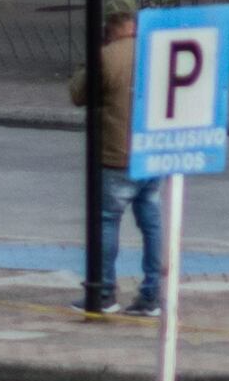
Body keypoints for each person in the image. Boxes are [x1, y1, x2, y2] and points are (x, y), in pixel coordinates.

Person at [70, 22, 169, 318]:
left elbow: (79, 94)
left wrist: (87, 61)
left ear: (111, 26)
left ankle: (104, 292)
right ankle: (152, 295)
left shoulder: (107, 56)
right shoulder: (155, 50)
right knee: (152, 223)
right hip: (151, 152)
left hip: (117, 154)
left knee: (107, 221)